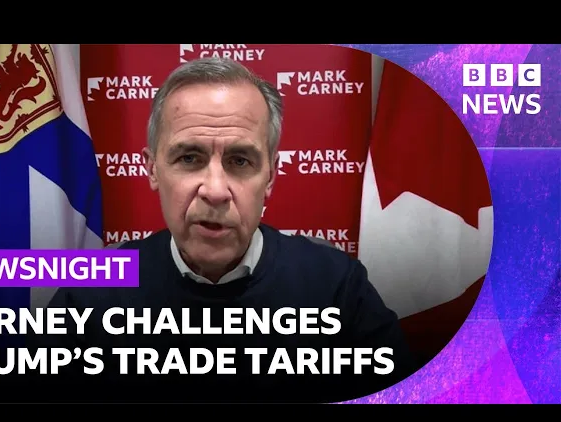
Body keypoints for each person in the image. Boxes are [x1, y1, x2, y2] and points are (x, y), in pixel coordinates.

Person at [23, 57, 417, 403]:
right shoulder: (88, 296)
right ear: (153, 170)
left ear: (271, 177)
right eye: (189, 158)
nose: (214, 190)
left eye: (240, 161)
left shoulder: (336, 289)